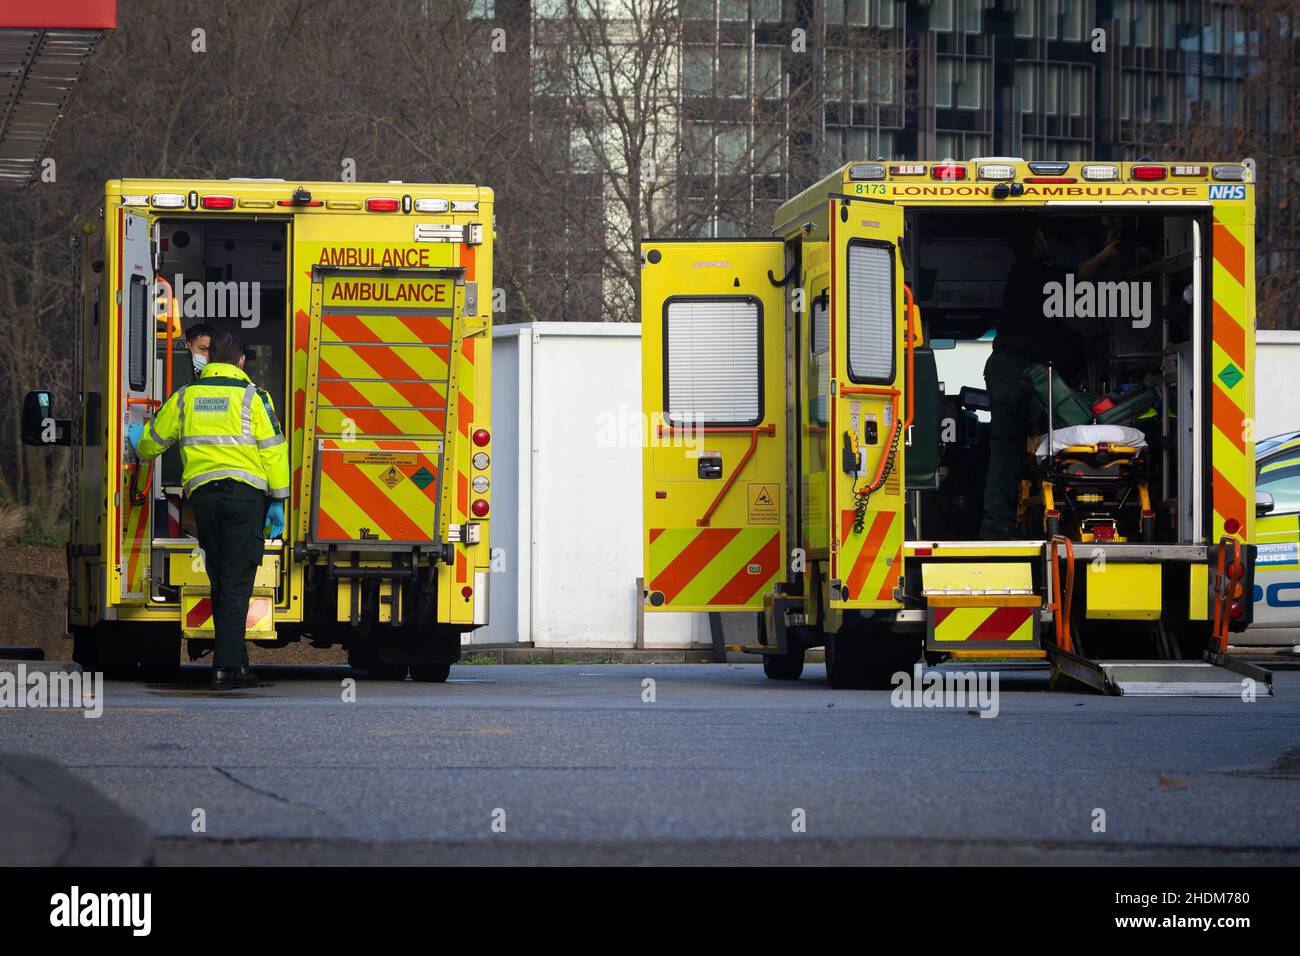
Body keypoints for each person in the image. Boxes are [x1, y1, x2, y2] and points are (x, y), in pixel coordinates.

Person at [129, 331, 290, 689]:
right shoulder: (254, 398)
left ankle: (238, 665)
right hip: (243, 500)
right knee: (236, 582)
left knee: (221, 579)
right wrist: (278, 501)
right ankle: (225, 668)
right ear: (241, 361)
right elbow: (274, 451)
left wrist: (137, 439)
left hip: (203, 500)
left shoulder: (187, 396)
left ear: (208, 357)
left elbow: (152, 443)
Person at [980, 217, 1118, 539]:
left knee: (1009, 448)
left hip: (1008, 372)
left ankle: (998, 522)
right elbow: (1075, 278)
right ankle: (1012, 521)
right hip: (1016, 374)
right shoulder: (1029, 271)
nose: (1047, 243)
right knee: (1033, 442)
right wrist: (1108, 254)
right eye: (1043, 236)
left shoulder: (1026, 285)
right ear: (1035, 240)